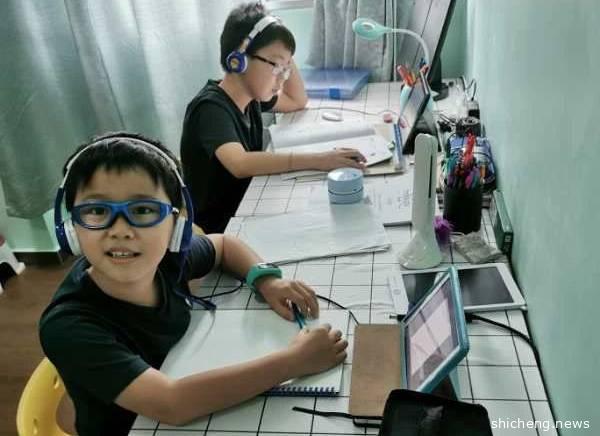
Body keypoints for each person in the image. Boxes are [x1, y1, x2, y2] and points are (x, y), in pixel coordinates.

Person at [39, 132, 348, 436]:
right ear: (70, 227)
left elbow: (224, 245)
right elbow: (172, 404)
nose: (120, 230)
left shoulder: (166, 260)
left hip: (189, 383)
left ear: (176, 225)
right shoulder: (69, 326)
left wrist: (266, 281)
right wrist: (294, 362)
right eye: (96, 211)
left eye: (143, 210)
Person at [180, 2, 366, 233]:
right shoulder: (210, 109)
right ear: (238, 59)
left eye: (285, 70)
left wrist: (283, 56)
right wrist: (320, 159)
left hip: (248, 210)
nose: (282, 78)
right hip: (220, 232)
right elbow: (240, 163)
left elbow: (297, 100)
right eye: (276, 67)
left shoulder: (251, 98)